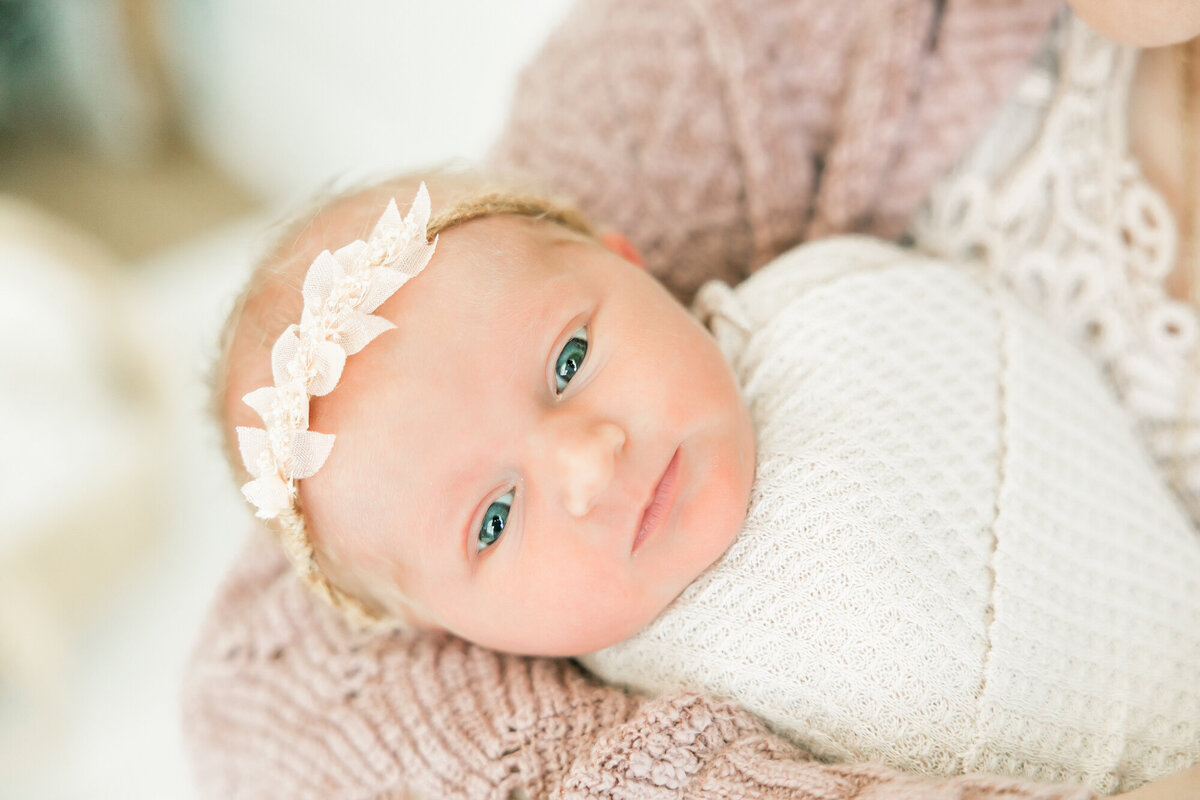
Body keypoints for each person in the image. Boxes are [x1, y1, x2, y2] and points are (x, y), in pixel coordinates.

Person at [183, 0, 1200, 797]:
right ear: (445, 633)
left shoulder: (819, 319)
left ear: (632, 261)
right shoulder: (722, 48)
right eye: (493, 519)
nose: (588, 459)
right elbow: (264, 687)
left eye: (572, 360)